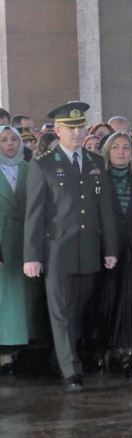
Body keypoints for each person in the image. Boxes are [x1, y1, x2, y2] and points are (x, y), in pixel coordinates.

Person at [23, 101, 118, 392]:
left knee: (79, 311)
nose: (77, 133)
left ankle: (63, 356)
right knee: (61, 312)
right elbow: (35, 214)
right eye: (70, 128)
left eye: (80, 127)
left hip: (89, 249)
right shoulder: (43, 165)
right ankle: (70, 369)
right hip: (58, 251)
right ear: (57, 130)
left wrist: (110, 248)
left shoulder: (95, 163)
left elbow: (104, 206)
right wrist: (32, 256)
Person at [95, 132, 132, 379]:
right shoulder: (98, 180)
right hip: (106, 249)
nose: (121, 152)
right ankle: (102, 350)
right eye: (115, 147)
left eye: (126, 147)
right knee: (107, 300)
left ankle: (126, 353)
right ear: (107, 152)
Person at [0, 126, 29, 376]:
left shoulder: (30, 169)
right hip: (2, 240)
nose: (9, 144)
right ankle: (5, 351)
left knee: (24, 296)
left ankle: (22, 345)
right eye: (4, 140)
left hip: (25, 239)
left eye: (13, 140)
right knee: (5, 297)